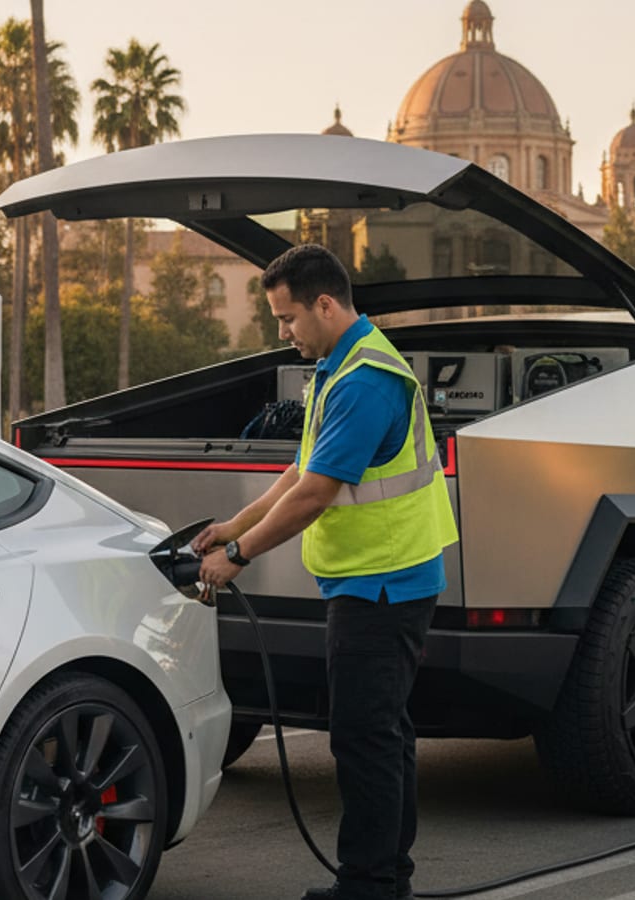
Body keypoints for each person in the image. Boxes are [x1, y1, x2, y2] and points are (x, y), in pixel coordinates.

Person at [194, 244, 458, 900]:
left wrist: (238, 557)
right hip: (380, 578)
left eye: (288, 318)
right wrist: (233, 525)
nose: (283, 333)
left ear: (325, 304)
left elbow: (317, 495)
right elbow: (299, 472)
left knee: (365, 739)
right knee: (386, 734)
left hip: (383, 584)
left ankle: (368, 886)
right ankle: (387, 878)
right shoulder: (342, 367)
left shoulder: (365, 380)